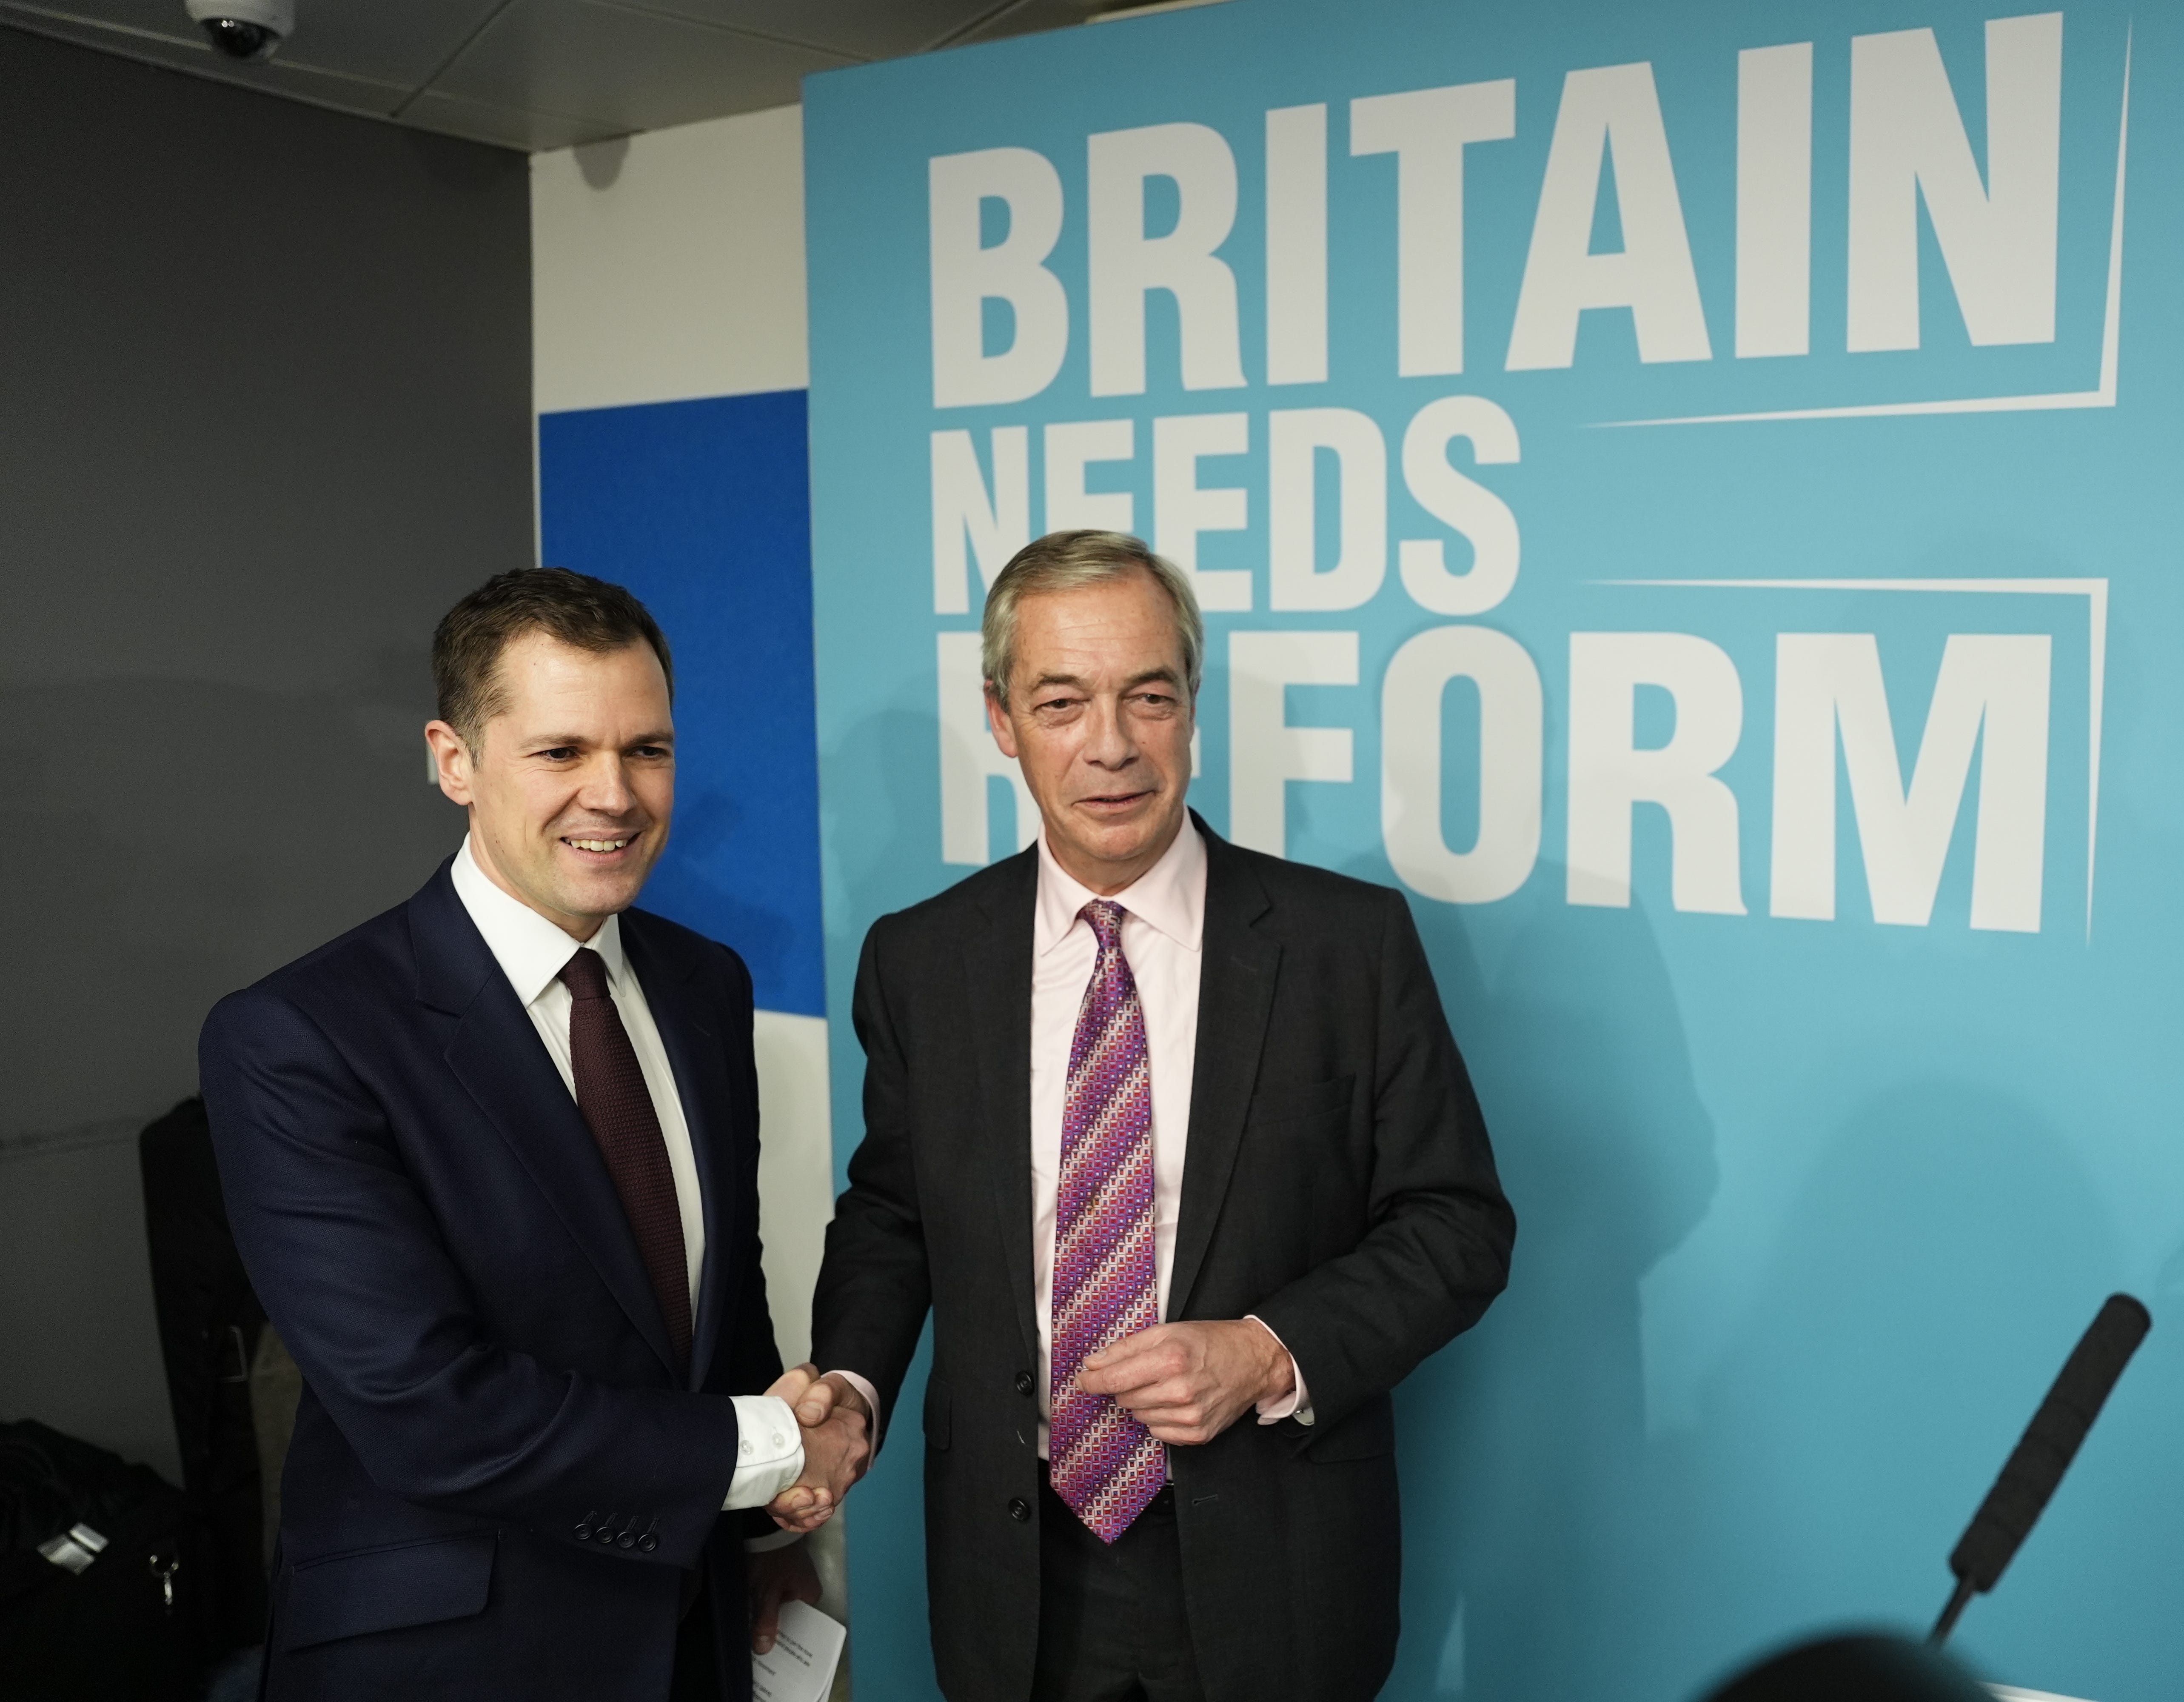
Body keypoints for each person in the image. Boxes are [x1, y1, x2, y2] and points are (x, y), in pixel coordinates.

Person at [778, 530, 1515, 1701]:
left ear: (1192, 706)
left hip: (1277, 1555)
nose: (1111, 746)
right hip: (1013, 1569)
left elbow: (1458, 1226)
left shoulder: (1347, 947)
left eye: (1149, 697)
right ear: (1002, 717)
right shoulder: (920, 960)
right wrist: (853, 1390)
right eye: (1062, 701)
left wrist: (1269, 1348)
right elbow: (894, 1214)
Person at [198, 568, 863, 1701]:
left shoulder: (704, 984)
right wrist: (762, 1451)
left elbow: (715, 1301)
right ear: (452, 760)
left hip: (696, 1635)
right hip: (455, 1659)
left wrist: (765, 1530)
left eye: (646, 750)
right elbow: (427, 1412)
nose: (614, 794)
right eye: (560, 753)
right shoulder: (298, 1038)